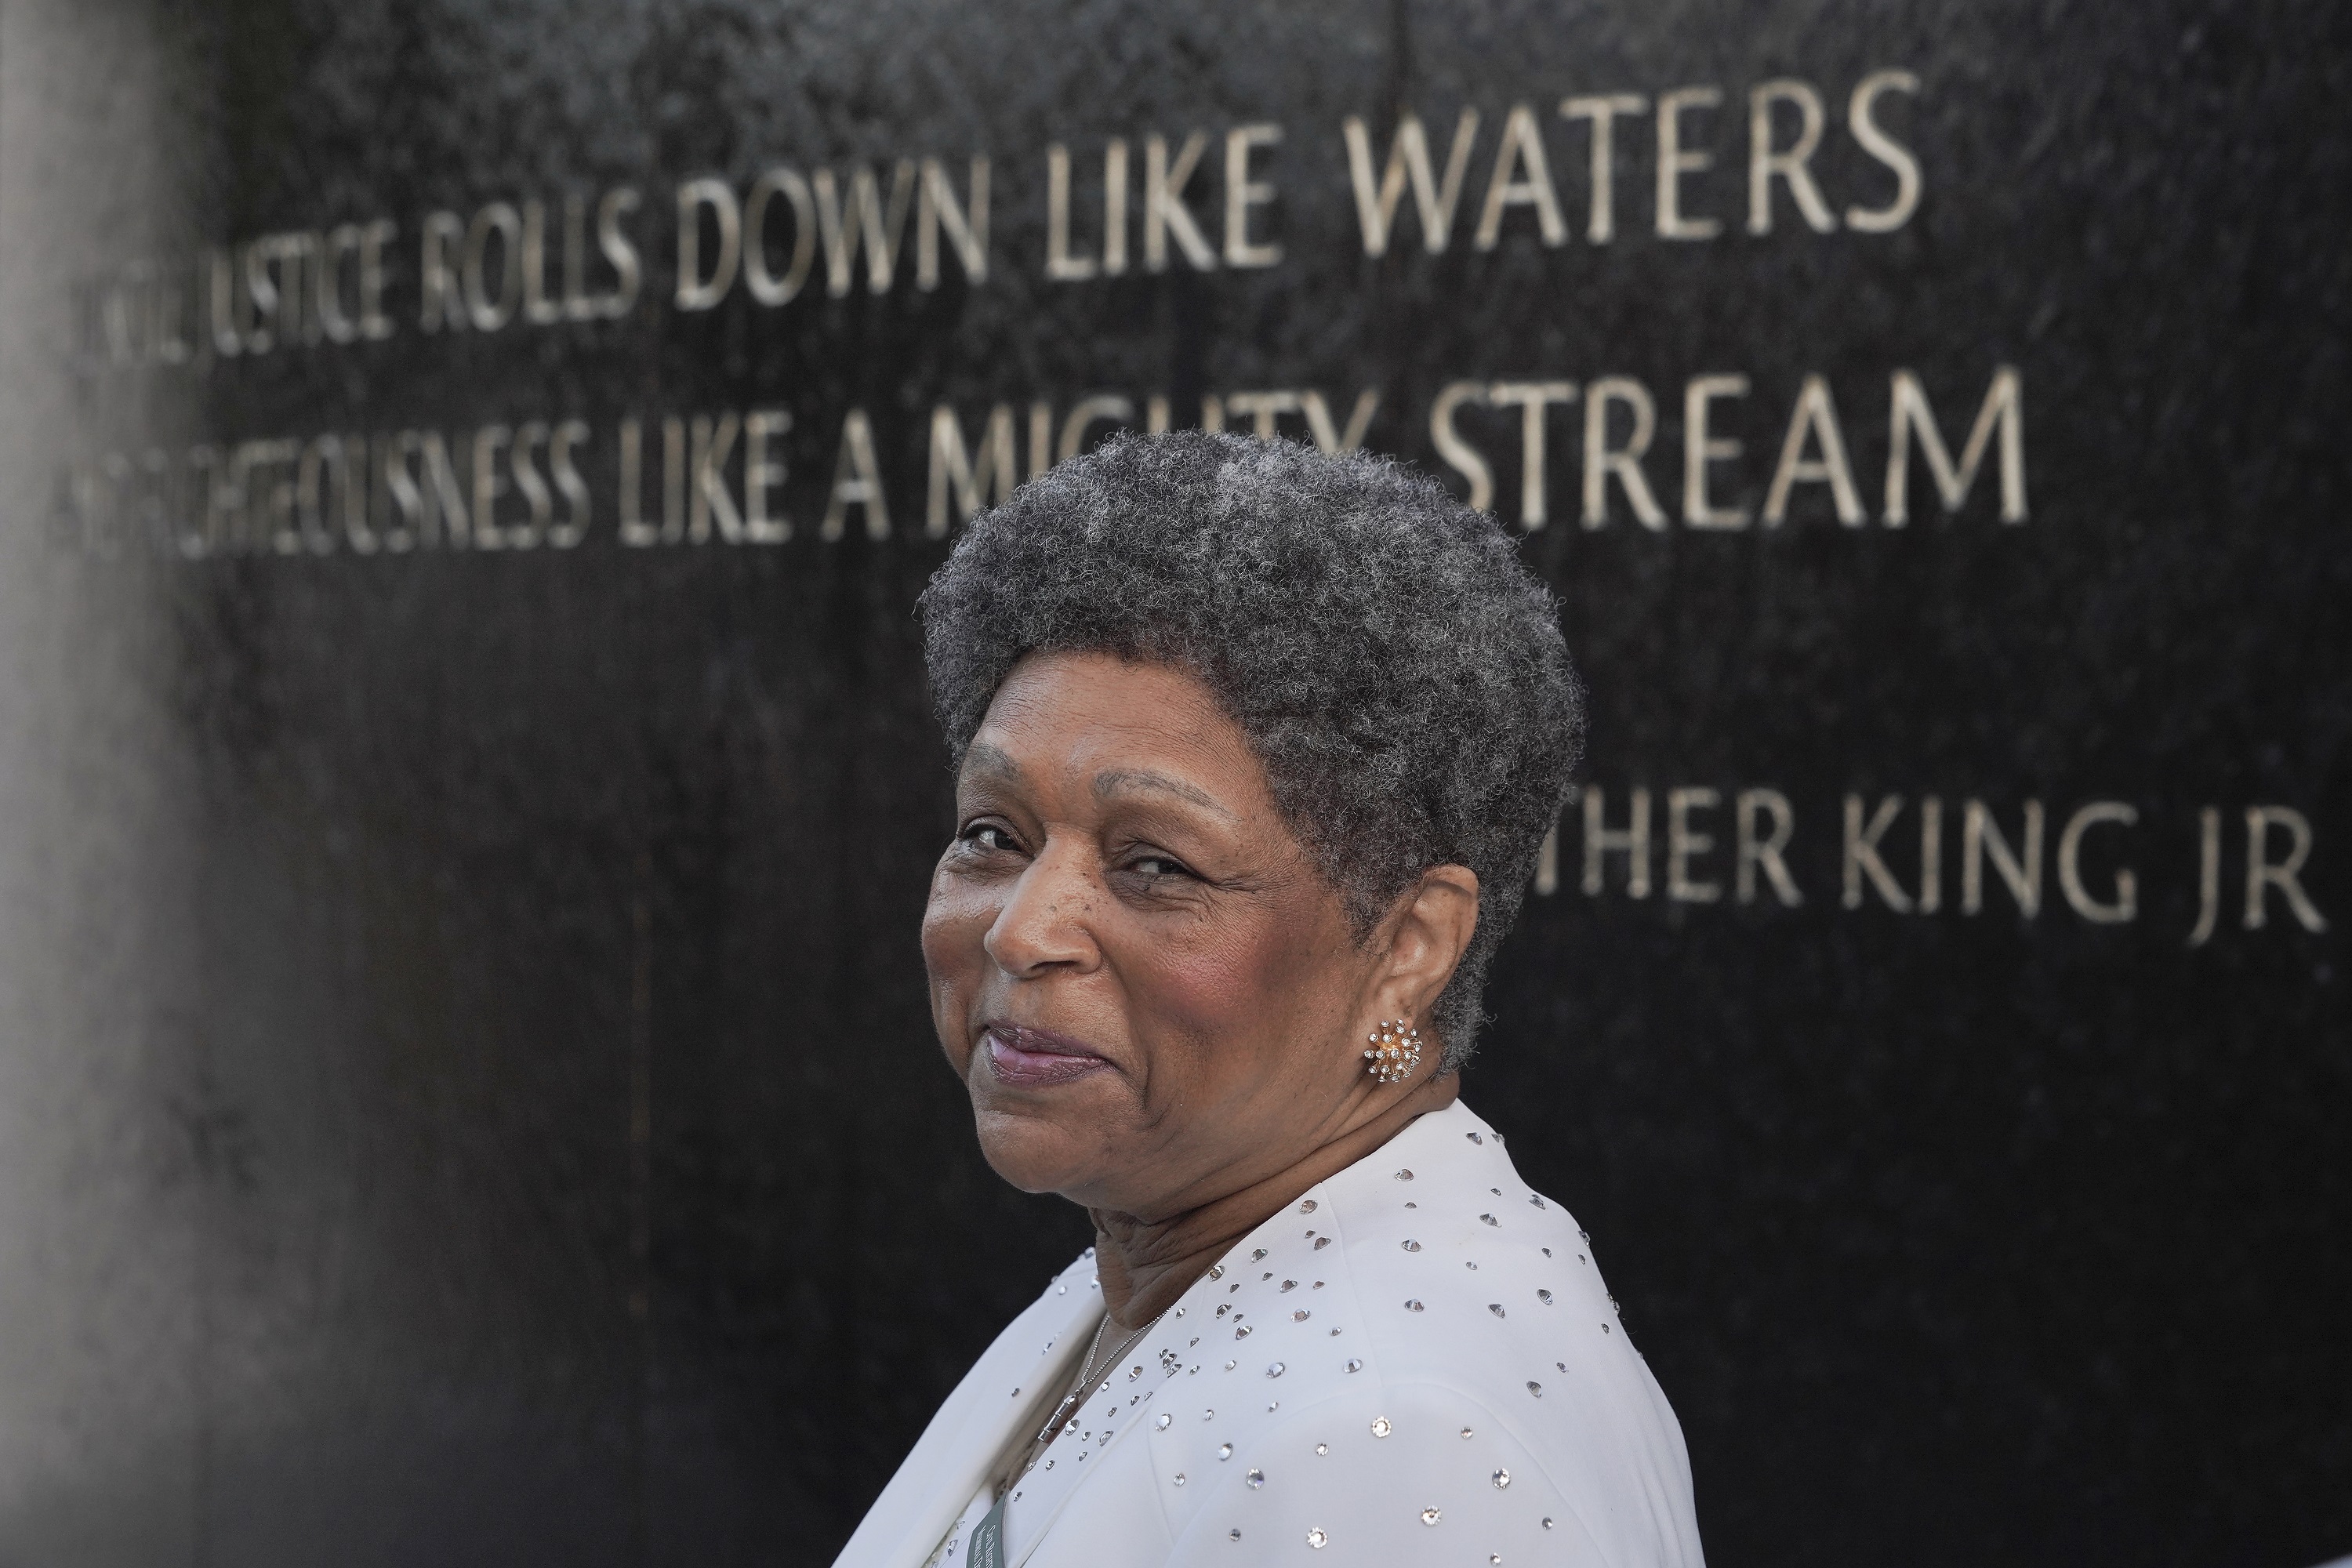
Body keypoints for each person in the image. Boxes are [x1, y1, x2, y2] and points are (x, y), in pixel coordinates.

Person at [834, 432, 1703, 1567]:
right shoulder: (1167, 1257)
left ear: (1409, 948)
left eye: (1157, 864)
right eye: (993, 835)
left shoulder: (1395, 1443)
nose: (1021, 928)